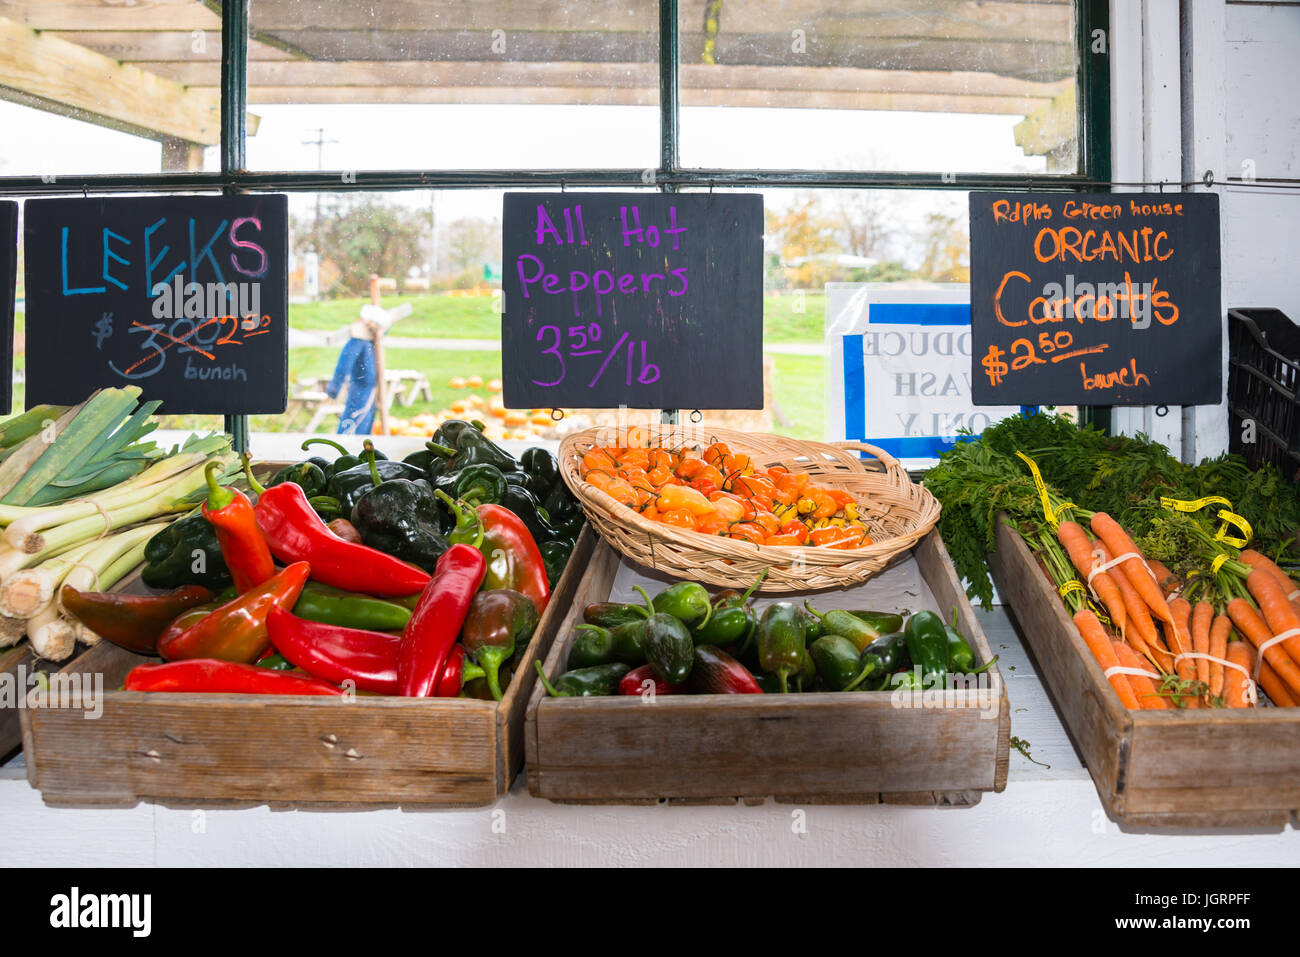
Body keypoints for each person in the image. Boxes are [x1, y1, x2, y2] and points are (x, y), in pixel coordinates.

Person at [327, 303, 393, 435]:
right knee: (352, 427)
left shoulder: (371, 342)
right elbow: (343, 365)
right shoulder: (358, 341)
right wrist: (334, 389)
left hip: (370, 393)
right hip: (359, 392)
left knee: (365, 429)